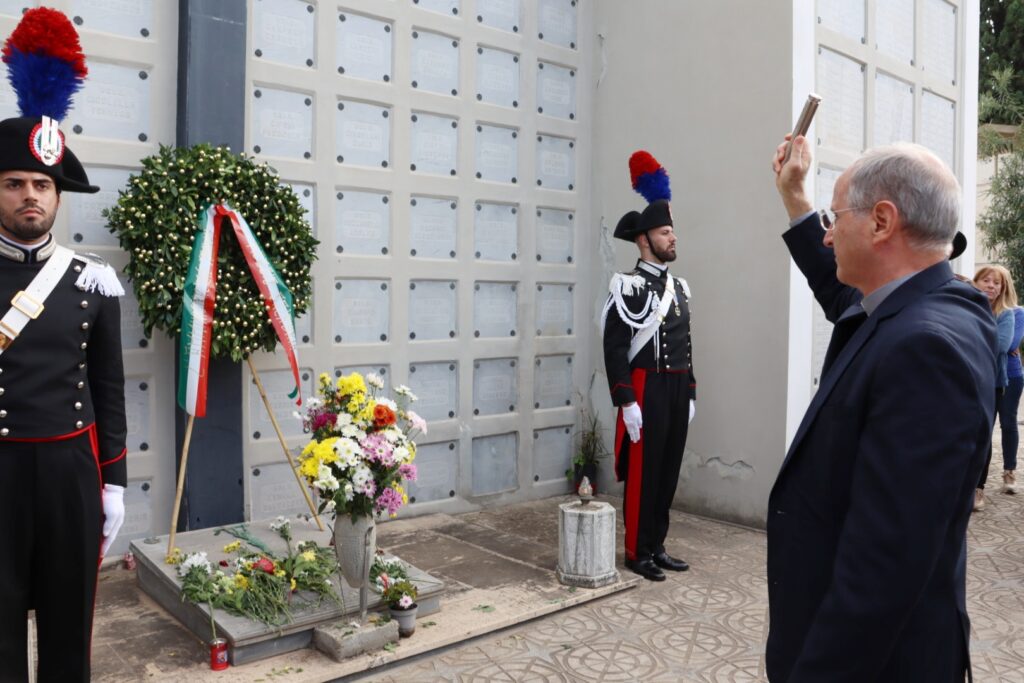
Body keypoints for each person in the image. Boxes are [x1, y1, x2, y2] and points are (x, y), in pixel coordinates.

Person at [767, 134, 997, 681]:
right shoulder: (921, 308)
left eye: (836, 216)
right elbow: (841, 293)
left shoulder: (926, 350)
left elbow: (883, 571)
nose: (827, 236)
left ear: (881, 222)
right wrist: (796, 198)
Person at [0, 8, 127, 682]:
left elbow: (108, 384)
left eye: (42, 185)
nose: (30, 196)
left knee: (68, 635)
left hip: (70, 481)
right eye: (15, 182)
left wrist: (115, 484)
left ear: (57, 196)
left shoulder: (92, 282)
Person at [601, 150, 696, 582]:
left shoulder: (679, 287)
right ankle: (636, 551)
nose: (673, 238)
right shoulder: (627, 287)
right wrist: (626, 400)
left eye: (673, 230)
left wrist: (690, 391)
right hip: (645, 389)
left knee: (668, 469)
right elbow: (615, 346)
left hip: (675, 389)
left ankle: (657, 545)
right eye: (664, 231)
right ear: (644, 240)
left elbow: (686, 343)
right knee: (643, 473)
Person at [972, 265, 1021, 505]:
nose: (991, 286)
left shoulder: (1006, 314)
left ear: (1003, 288)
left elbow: (1001, 346)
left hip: (993, 383)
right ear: (976, 282)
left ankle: (978, 488)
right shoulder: (966, 306)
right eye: (986, 281)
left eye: (996, 283)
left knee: (989, 431)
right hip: (966, 380)